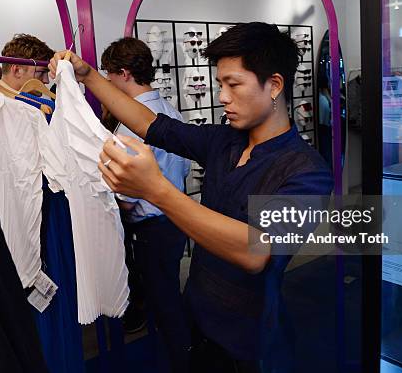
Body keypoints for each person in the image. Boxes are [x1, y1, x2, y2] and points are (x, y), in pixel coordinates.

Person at [49, 22, 333, 372]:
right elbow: (152, 125)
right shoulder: (225, 141)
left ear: (274, 85)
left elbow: (255, 250)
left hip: (250, 341)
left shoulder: (307, 172)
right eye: (219, 85)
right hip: (198, 316)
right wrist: (89, 76)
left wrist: (155, 189)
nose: (223, 97)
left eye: (234, 84)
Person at [99, 37, 191, 372]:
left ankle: (183, 362)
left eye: (109, 77)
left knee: (164, 302)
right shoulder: (170, 111)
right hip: (176, 220)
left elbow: (126, 197)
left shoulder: (131, 128)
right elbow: (183, 167)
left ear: (123, 73)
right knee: (169, 294)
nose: (107, 85)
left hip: (151, 226)